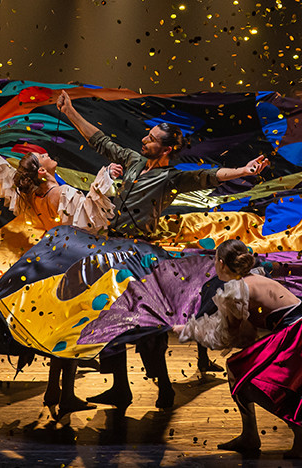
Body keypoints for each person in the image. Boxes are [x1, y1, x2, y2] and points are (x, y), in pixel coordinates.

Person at [56, 90, 269, 409]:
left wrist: (242, 171)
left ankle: (163, 387)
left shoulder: (171, 178)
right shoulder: (133, 161)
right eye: (147, 135)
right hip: (113, 250)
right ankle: (122, 387)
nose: (144, 139)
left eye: (152, 138)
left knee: (142, 324)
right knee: (113, 319)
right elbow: (100, 141)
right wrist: (71, 112)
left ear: (167, 149)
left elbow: (207, 176)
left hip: (138, 257)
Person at [0, 120, 122, 417]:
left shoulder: (32, 194)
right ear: (42, 171)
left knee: (61, 330)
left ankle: (56, 390)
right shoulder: (60, 194)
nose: (47, 155)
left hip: (49, 261)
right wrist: (105, 176)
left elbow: (7, 176)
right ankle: (64, 394)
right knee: (70, 330)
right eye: (43, 157)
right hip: (71, 263)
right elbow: (88, 217)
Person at [174, 240, 302, 458]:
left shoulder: (237, 290)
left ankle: (300, 427)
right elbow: (246, 332)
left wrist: (189, 330)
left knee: (247, 379)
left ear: (221, 263)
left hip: (298, 334)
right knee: (238, 369)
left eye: (215, 261)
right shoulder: (251, 279)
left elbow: (227, 335)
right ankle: (250, 436)